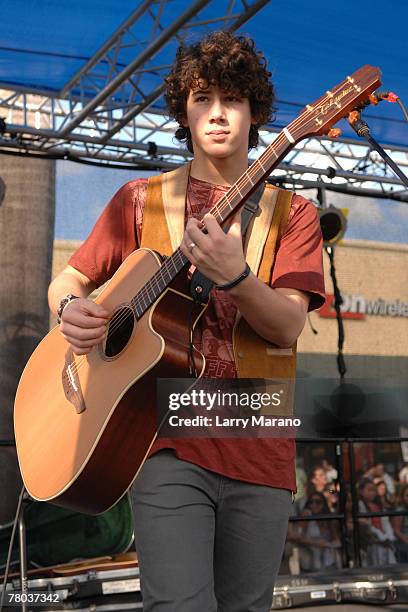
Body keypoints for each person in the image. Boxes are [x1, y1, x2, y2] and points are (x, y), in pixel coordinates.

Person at [48, 31, 325, 612]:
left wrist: (237, 278)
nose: (218, 114)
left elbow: (287, 328)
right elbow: (68, 281)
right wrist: (71, 310)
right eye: (202, 98)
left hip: (260, 431)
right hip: (162, 436)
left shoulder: (294, 213)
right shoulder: (140, 200)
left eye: (233, 99)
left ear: (255, 111)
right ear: (184, 110)